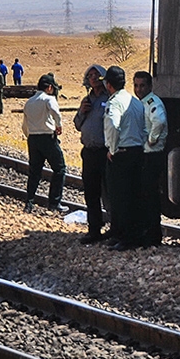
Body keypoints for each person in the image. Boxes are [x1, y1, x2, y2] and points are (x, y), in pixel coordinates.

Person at [103, 65, 146, 250]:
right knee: (134, 195)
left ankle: (125, 237)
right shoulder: (135, 102)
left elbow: (112, 125)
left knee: (120, 197)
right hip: (137, 151)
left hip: (122, 153)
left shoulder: (114, 103)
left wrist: (112, 148)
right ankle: (129, 234)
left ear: (108, 84)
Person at [73, 64, 110, 244]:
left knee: (109, 192)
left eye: (96, 75)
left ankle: (115, 228)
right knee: (91, 192)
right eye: (90, 76)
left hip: (106, 152)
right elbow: (77, 125)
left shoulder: (109, 99)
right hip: (89, 152)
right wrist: (81, 112)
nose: (93, 78)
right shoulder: (86, 100)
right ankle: (94, 229)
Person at [22, 72, 66, 213]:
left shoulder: (29, 102)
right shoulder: (49, 99)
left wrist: (30, 135)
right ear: (48, 88)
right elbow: (56, 113)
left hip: (33, 138)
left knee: (34, 172)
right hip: (47, 137)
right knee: (59, 169)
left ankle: (29, 203)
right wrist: (58, 126)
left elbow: (24, 126)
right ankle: (54, 202)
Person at [134, 70, 168, 248]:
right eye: (136, 85)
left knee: (150, 196)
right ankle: (146, 232)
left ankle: (153, 235)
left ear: (150, 86)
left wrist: (152, 139)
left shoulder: (152, 102)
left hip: (152, 155)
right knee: (145, 196)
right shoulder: (142, 103)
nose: (139, 89)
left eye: (142, 85)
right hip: (146, 154)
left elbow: (159, 121)